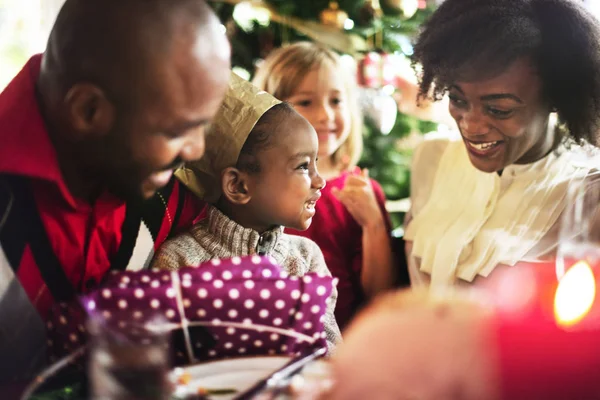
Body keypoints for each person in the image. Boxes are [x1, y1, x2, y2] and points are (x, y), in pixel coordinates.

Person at [0, 0, 230, 381]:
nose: (196, 151)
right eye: (175, 132)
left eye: (202, 126)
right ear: (88, 111)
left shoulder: (166, 190)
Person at [403, 0, 600, 292]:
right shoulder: (431, 160)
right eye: (458, 100)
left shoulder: (588, 197)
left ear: (556, 98)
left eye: (499, 110)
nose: (470, 125)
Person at [152, 73, 342, 348]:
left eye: (315, 163)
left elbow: (330, 352)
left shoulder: (306, 258)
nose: (319, 180)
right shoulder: (180, 261)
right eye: (303, 166)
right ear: (238, 185)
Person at [252, 42, 395, 330]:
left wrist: (374, 226)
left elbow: (381, 297)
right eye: (306, 102)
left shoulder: (360, 190)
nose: (326, 115)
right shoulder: (253, 187)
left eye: (336, 101)